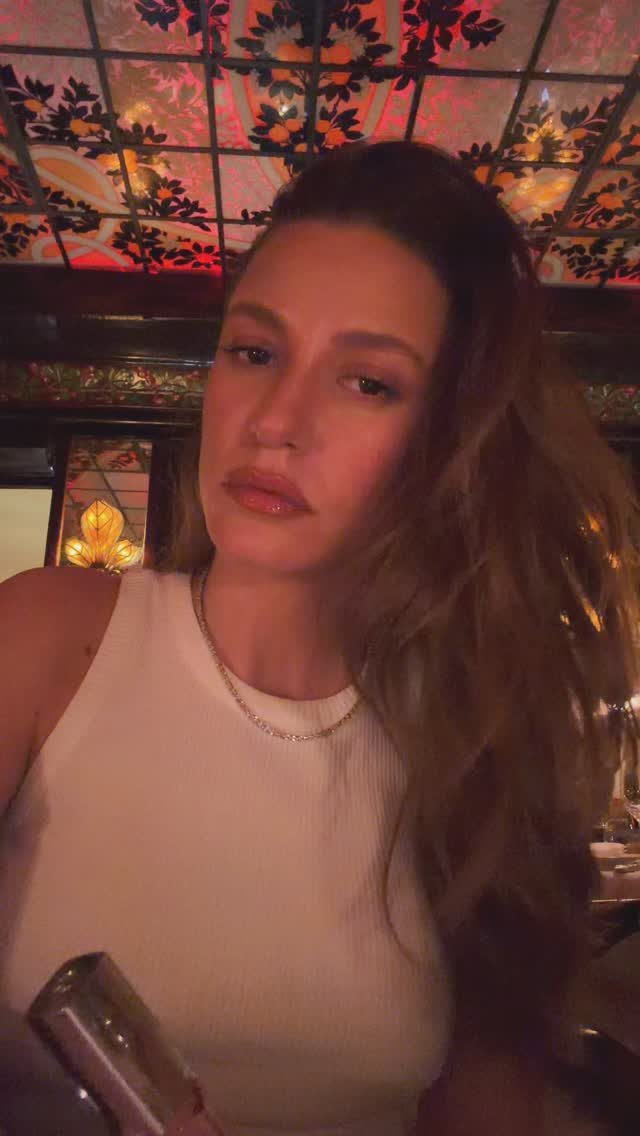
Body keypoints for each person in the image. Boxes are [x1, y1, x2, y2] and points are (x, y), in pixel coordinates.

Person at [0, 141, 637, 1136]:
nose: (275, 421)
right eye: (255, 352)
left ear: (450, 442)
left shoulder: (477, 748)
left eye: (367, 382)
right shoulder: (45, 637)